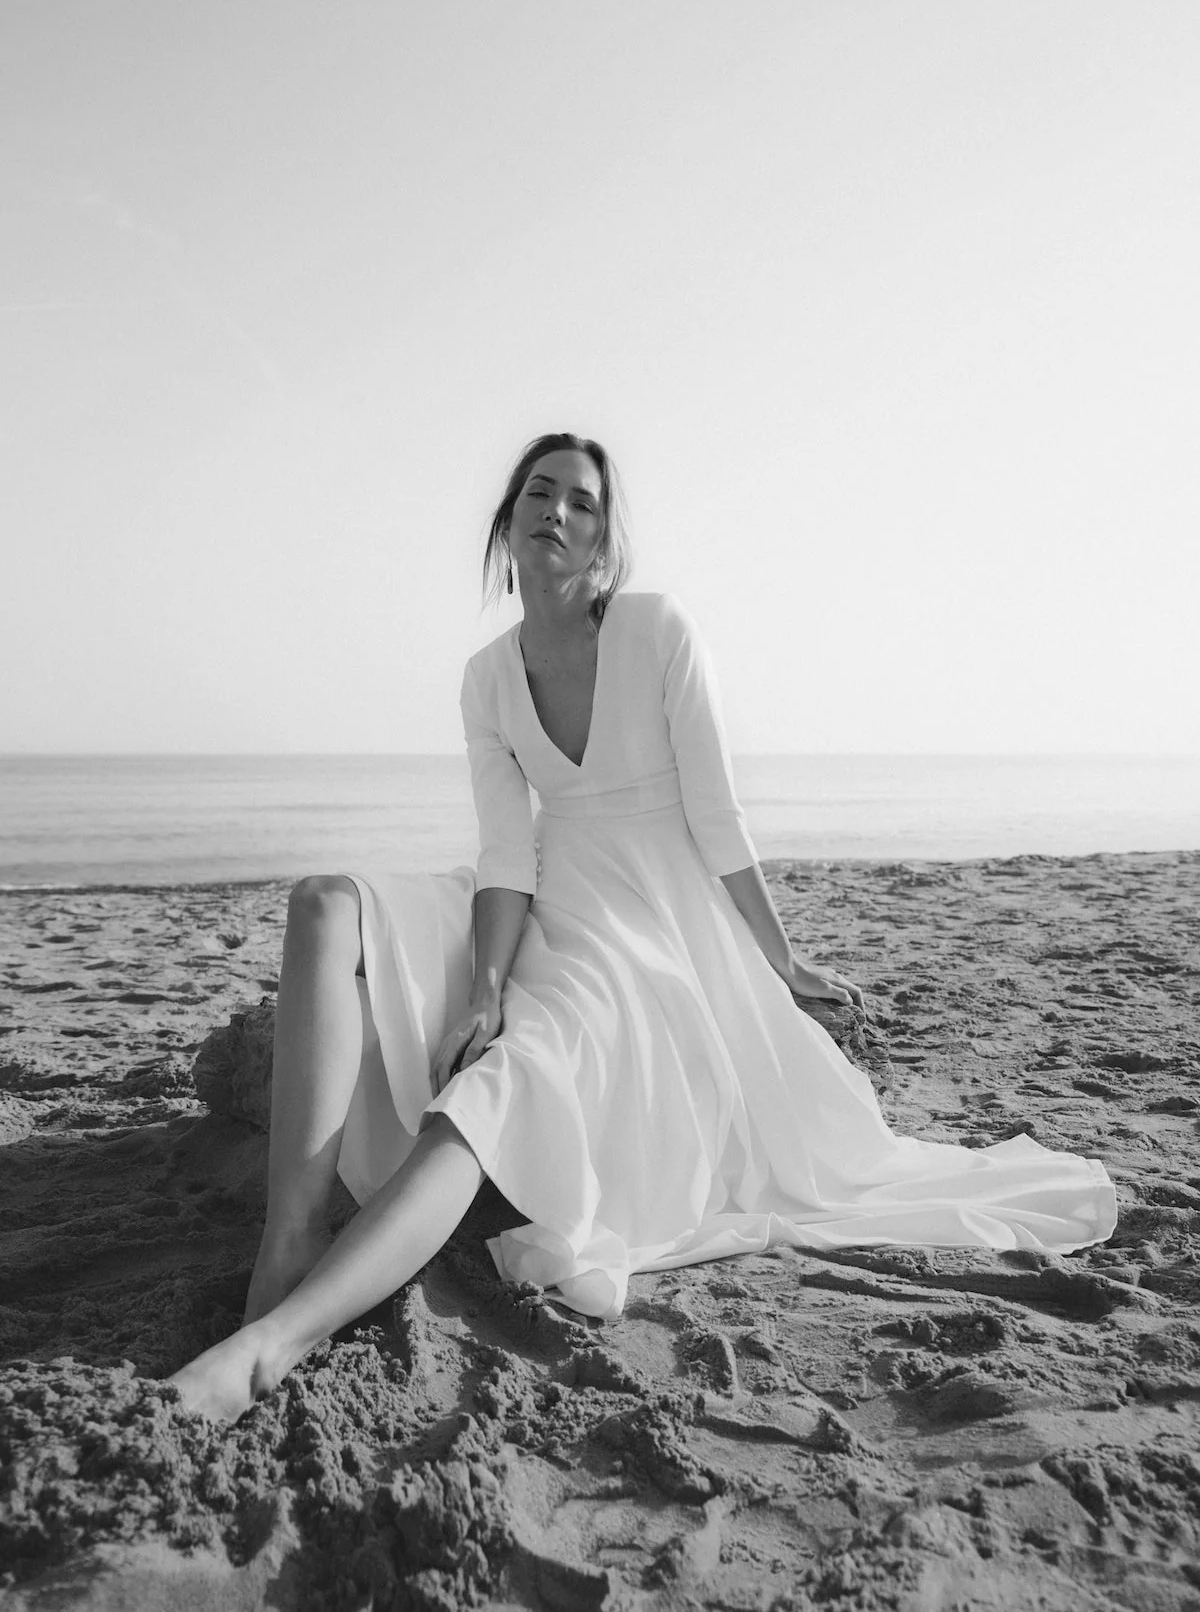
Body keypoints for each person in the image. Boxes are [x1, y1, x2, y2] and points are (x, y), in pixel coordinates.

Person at [170, 432, 1116, 1422]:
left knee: (496, 1087)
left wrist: (782, 960)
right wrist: (484, 989)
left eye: (582, 501)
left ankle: (271, 1346)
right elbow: (507, 853)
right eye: (539, 492)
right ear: (507, 519)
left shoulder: (657, 629)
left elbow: (717, 817)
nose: (557, 510)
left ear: (603, 538)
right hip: (541, 896)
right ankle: (288, 1242)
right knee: (325, 902)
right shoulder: (486, 677)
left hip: (650, 927)